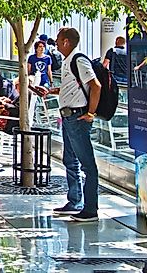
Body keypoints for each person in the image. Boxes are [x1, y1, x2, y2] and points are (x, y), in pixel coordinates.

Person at [47, 27, 101, 222]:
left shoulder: (79, 59)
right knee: (70, 160)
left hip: (78, 118)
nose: (55, 43)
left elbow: (95, 85)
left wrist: (90, 113)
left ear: (66, 42)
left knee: (87, 164)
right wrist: (55, 91)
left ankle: (90, 208)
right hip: (68, 117)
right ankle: (75, 200)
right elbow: (75, 87)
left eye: (58, 40)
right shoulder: (67, 61)